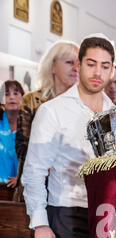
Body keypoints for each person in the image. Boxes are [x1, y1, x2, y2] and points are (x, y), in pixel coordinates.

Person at [21, 35, 115, 238]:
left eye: (105, 65)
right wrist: (40, 223)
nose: (97, 72)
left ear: (112, 70)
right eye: (91, 64)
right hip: (65, 214)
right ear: (79, 65)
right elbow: (33, 172)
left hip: (106, 216)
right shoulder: (53, 111)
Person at [14, 40, 79, 201]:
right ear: (53, 66)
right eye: (69, 63)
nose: (76, 68)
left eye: (79, 64)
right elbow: (22, 146)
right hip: (35, 187)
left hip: (69, 191)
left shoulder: (80, 104)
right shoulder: (32, 100)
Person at [0, 80, 24, 199]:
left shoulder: (30, 124)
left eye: (16, 93)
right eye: (6, 94)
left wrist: (21, 178)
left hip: (21, 189)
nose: (11, 97)